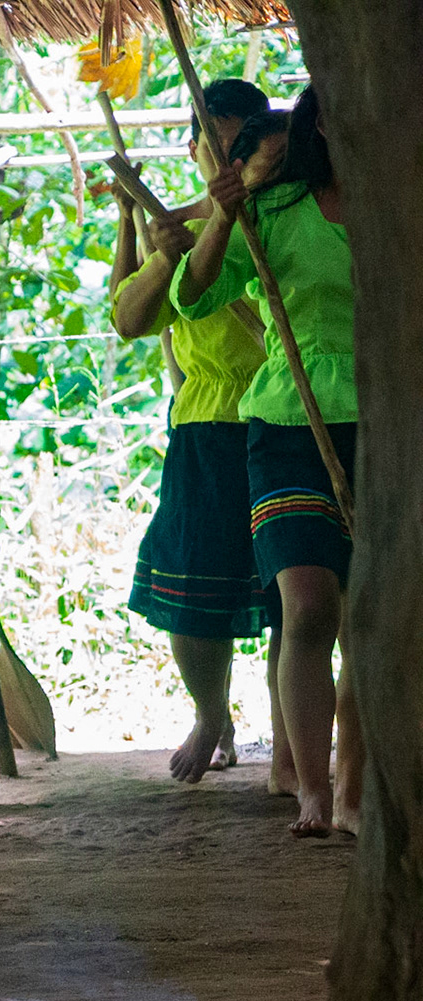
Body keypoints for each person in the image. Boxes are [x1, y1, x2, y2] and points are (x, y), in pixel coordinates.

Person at [173, 89, 361, 837]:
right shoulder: (272, 214)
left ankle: (353, 791)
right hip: (288, 423)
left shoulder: (396, 208)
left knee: (371, 618)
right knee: (310, 607)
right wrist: (223, 210)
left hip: (387, 424)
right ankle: (311, 787)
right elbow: (192, 296)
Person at [108, 79, 280, 786]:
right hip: (209, 425)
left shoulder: (297, 217)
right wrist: (152, 248)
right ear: (193, 148)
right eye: (215, 145)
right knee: (193, 586)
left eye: (245, 147)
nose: (230, 161)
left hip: (292, 419)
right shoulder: (170, 228)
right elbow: (130, 319)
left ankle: (293, 741)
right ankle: (212, 713)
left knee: (291, 593)